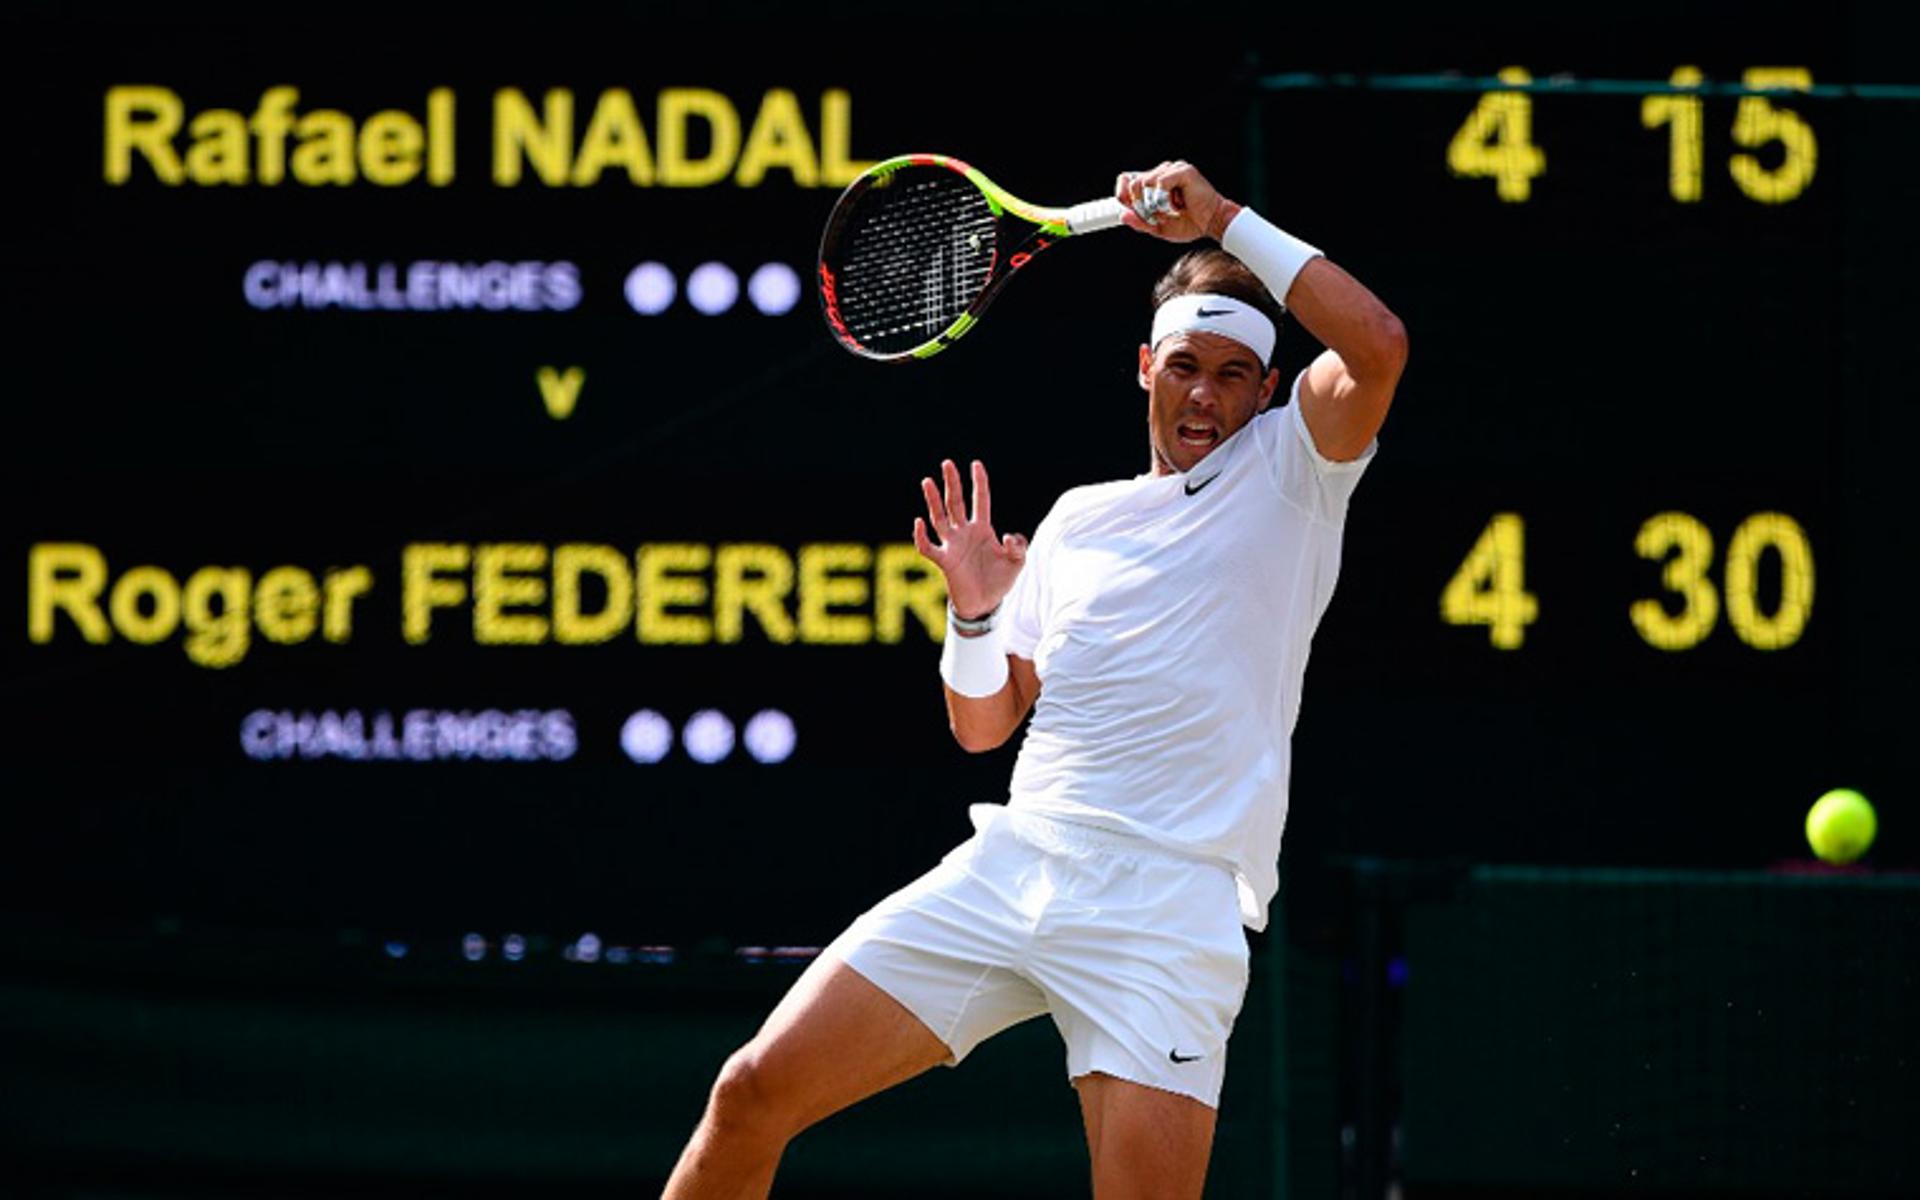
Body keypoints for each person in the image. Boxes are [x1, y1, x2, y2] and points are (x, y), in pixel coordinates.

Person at [662, 160, 1407, 1200]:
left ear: (1269, 390)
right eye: (1186, 364)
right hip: (1020, 865)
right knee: (750, 1092)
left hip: (1168, 908)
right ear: (1145, 368)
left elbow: (1378, 346)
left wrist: (1225, 220)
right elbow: (984, 726)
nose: (1206, 392)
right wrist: (974, 613)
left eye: (1235, 373)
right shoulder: (1076, 521)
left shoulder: (1294, 470)